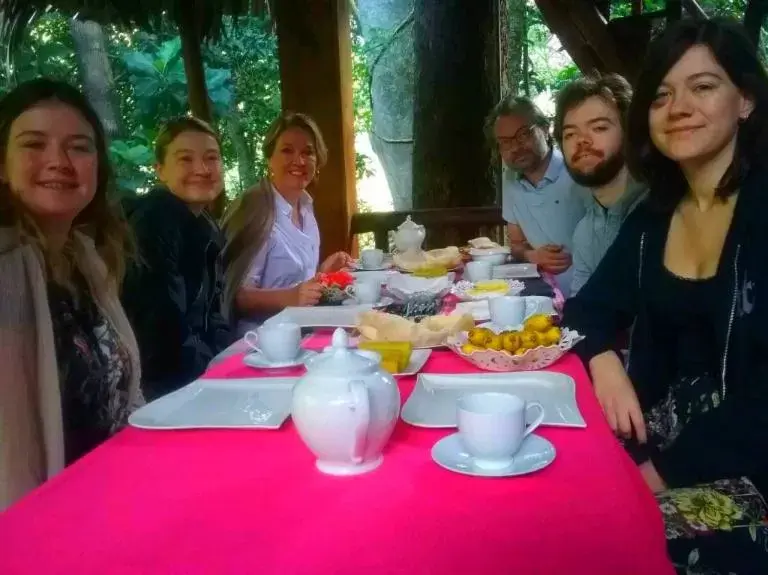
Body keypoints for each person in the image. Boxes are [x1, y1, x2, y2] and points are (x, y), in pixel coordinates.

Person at [562, 19, 768, 573]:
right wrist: (603, 359)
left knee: (585, 543)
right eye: (661, 94)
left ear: (745, 100)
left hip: (749, 473)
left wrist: (654, 476)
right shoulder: (654, 217)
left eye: (703, 87)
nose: (678, 106)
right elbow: (586, 310)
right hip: (654, 443)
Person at [0, 79, 142, 510]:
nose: (59, 161)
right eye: (34, 144)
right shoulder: (6, 266)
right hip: (35, 525)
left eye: (79, 147)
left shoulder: (87, 259)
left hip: (116, 492)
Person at [122, 117, 233, 400]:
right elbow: (160, 334)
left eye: (212, 158)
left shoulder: (204, 226)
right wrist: (218, 373)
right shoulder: (155, 220)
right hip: (159, 395)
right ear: (160, 170)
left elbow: (213, 317)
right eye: (185, 159)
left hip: (195, 379)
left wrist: (232, 360)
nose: (202, 169)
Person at [221, 112, 352, 334]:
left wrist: (323, 273)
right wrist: (291, 297)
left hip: (303, 331)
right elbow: (235, 296)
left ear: (317, 160)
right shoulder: (255, 208)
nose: (299, 161)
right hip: (260, 342)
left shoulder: (305, 207)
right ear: (269, 157)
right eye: (287, 150)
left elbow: (297, 286)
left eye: (308, 152)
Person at [554, 73, 647, 295]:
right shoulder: (585, 231)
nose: (582, 140)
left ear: (629, 133)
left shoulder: (663, 214)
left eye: (599, 128)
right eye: (570, 134)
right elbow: (583, 308)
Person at [488, 95, 587, 297]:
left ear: (545, 128)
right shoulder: (510, 179)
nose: (515, 147)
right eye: (505, 142)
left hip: (591, 297)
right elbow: (516, 245)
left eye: (523, 134)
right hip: (543, 296)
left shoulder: (578, 170)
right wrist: (533, 255)